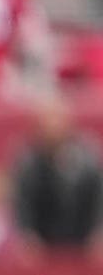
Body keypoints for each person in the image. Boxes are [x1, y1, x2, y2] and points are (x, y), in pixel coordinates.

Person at [10, 94, 103, 258]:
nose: (53, 127)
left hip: (81, 241)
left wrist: (98, 233)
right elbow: (21, 202)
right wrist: (27, 235)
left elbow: (98, 197)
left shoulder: (88, 157)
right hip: (44, 243)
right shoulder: (28, 161)